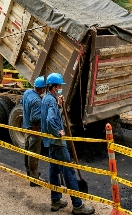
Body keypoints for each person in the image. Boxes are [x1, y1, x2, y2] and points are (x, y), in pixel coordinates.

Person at [41, 73, 95, 214]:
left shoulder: (47, 99)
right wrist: (59, 133)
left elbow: (52, 115)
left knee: (54, 171)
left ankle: (56, 201)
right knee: (69, 172)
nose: (60, 88)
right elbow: (50, 120)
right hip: (58, 143)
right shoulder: (51, 101)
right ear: (54, 87)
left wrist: (59, 106)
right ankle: (78, 206)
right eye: (59, 86)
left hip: (50, 142)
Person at [22, 76, 46, 187]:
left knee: (27, 150)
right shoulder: (37, 101)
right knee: (34, 153)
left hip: (26, 127)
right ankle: (34, 178)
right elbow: (35, 118)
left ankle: (29, 172)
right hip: (34, 130)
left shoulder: (27, 93)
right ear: (42, 89)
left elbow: (22, 102)